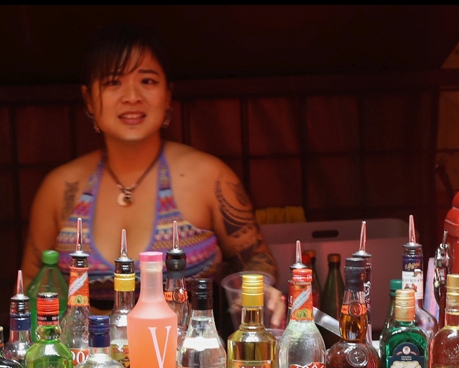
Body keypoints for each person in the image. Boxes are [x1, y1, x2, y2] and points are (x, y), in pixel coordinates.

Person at [22, 25, 284, 325]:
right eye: (113, 82)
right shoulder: (60, 188)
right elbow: (32, 285)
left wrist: (257, 289)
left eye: (147, 81)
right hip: (85, 352)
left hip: (188, 350)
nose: (132, 96)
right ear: (89, 99)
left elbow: (256, 259)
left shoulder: (210, 177)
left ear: (168, 95)